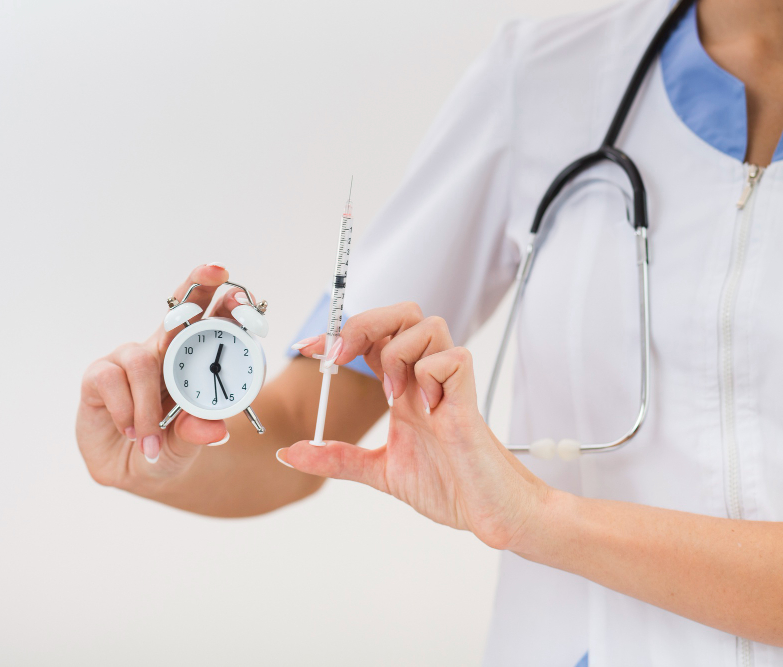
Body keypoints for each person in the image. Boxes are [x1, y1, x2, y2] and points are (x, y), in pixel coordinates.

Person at [75, 0, 783, 663]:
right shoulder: (547, 79)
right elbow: (301, 424)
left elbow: (525, 513)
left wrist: (540, 517)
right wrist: (173, 430)